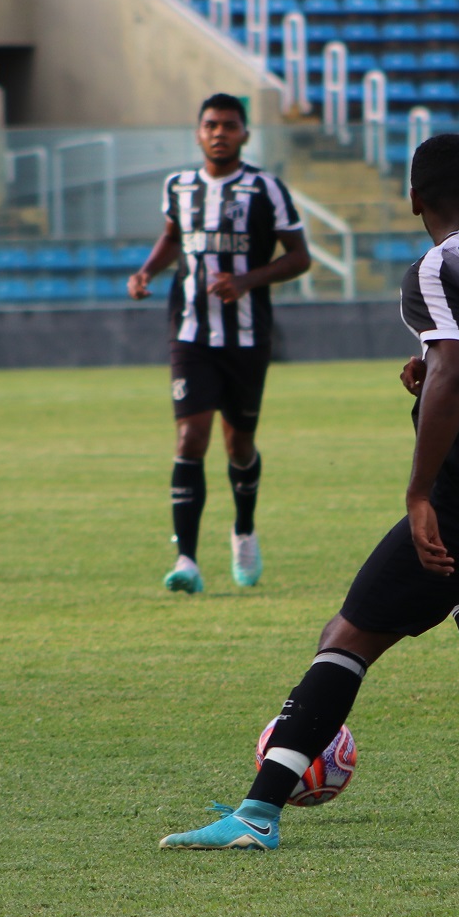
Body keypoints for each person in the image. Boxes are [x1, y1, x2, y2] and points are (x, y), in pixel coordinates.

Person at [160, 133, 459, 850]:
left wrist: (421, 493)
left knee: (348, 636)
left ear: (414, 202)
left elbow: (457, 374)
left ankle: (256, 814)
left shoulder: (437, 265)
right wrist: (441, 378)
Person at [128, 94, 311, 594]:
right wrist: (147, 270)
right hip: (189, 333)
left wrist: (247, 281)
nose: (219, 133)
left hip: (248, 337)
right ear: (197, 132)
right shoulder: (179, 187)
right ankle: (186, 559)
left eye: (229, 125)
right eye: (210, 125)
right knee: (191, 439)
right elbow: (172, 236)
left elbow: (300, 258)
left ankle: (244, 528)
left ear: (245, 134)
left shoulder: (265, 189)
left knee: (239, 444)